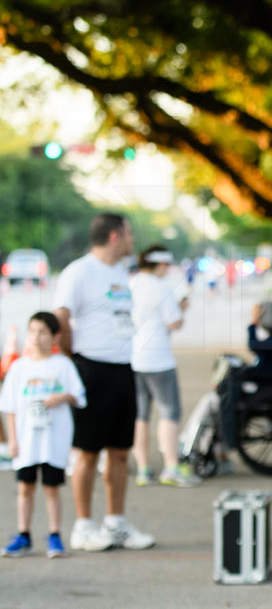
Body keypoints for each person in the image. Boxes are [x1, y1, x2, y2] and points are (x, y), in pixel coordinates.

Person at [53, 212, 156, 552]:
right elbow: (61, 318)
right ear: (114, 236)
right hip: (90, 369)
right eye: (128, 234)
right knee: (87, 452)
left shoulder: (118, 272)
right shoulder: (79, 272)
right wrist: (71, 359)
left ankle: (116, 523)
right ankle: (83, 527)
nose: (132, 240)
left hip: (122, 368)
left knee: (120, 452)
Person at [0, 312, 86, 558]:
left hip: (52, 440)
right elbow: (10, 408)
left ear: (55, 336)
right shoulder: (19, 367)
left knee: (51, 488)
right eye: (33, 331)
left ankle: (55, 534)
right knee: (25, 486)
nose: (37, 338)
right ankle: (24, 534)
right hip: (27, 441)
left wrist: (62, 397)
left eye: (43, 332)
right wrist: (13, 441)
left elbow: (78, 396)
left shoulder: (63, 365)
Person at [129, 246, 197, 488]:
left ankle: (143, 469)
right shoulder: (160, 288)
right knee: (169, 414)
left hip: (133, 357)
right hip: (159, 359)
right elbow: (175, 322)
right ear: (160, 265)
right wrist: (182, 308)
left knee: (140, 416)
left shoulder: (130, 284)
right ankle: (171, 467)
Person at [217, 301, 272, 453]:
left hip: (268, 382)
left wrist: (253, 322)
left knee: (231, 383)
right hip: (268, 378)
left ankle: (229, 435)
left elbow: (254, 346)